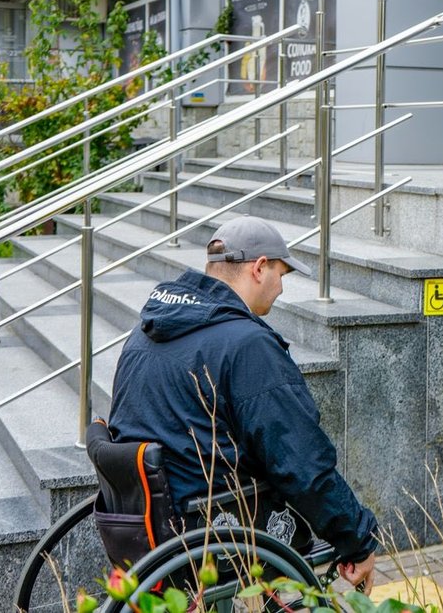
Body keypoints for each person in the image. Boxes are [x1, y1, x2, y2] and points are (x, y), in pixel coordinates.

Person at [108, 216, 378, 591]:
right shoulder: (246, 345)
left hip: (144, 528)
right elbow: (301, 462)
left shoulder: (146, 331)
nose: (281, 287)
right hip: (209, 532)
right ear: (259, 268)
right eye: (281, 274)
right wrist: (358, 540)